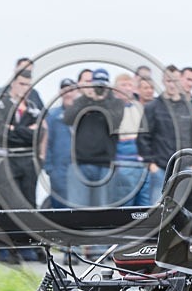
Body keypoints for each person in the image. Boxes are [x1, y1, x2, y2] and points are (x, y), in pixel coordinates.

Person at [0, 69, 43, 263]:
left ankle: (25, 247)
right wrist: (24, 131)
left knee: (27, 205)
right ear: (13, 83)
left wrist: (14, 129)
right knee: (5, 206)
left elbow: (37, 135)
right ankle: (4, 250)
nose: (24, 88)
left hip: (28, 161)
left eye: (28, 85)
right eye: (21, 84)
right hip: (6, 160)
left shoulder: (34, 107)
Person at [137, 65, 192, 203]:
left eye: (175, 81)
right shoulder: (152, 107)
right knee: (158, 208)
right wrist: (151, 164)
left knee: (187, 207)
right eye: (169, 81)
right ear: (163, 81)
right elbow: (143, 138)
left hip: (186, 168)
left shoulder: (190, 108)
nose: (172, 85)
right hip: (160, 168)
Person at [63, 68, 124, 208]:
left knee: (102, 211)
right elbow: (68, 119)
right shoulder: (82, 101)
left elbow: (115, 122)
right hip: (79, 164)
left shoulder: (116, 103)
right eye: (97, 85)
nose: (99, 89)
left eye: (102, 85)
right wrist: (88, 99)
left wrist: (102, 100)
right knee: (78, 211)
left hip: (106, 164)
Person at [110, 73, 151, 207]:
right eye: (123, 85)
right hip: (123, 164)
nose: (127, 88)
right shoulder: (111, 109)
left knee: (144, 206)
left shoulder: (139, 107)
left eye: (129, 85)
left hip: (143, 165)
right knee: (125, 205)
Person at [42, 78, 77, 208]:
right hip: (58, 171)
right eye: (65, 90)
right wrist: (49, 169)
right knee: (60, 210)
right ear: (60, 92)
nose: (68, 94)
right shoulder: (52, 116)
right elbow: (46, 142)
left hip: (79, 170)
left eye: (71, 90)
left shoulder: (84, 114)